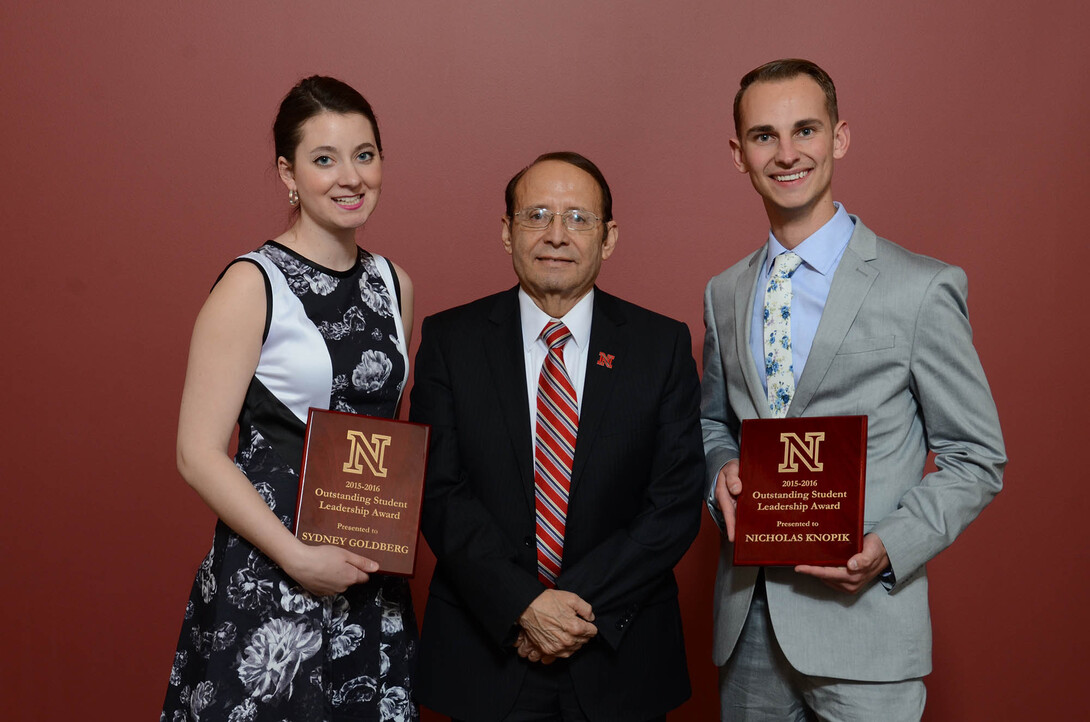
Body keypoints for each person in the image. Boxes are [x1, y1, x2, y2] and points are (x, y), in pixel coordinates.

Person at [700, 58, 1007, 721]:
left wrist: (891, 547)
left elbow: (977, 457)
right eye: (763, 137)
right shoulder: (724, 293)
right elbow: (714, 422)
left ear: (839, 137)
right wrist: (721, 468)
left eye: (805, 130)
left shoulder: (919, 288)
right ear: (738, 154)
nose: (787, 154)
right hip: (747, 624)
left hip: (867, 628)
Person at [409, 152, 705, 722]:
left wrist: (562, 612)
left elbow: (672, 504)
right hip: (485, 657)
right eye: (536, 215)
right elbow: (438, 491)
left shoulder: (660, 346)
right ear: (506, 231)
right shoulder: (450, 340)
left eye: (578, 218)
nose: (556, 235)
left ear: (609, 237)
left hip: (620, 654)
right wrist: (521, 604)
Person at [162, 76, 418, 722]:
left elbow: (380, 436)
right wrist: (298, 558)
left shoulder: (394, 285)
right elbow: (196, 452)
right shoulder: (252, 284)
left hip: (366, 578)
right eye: (324, 159)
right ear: (288, 173)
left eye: (365, 154)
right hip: (273, 574)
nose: (350, 177)